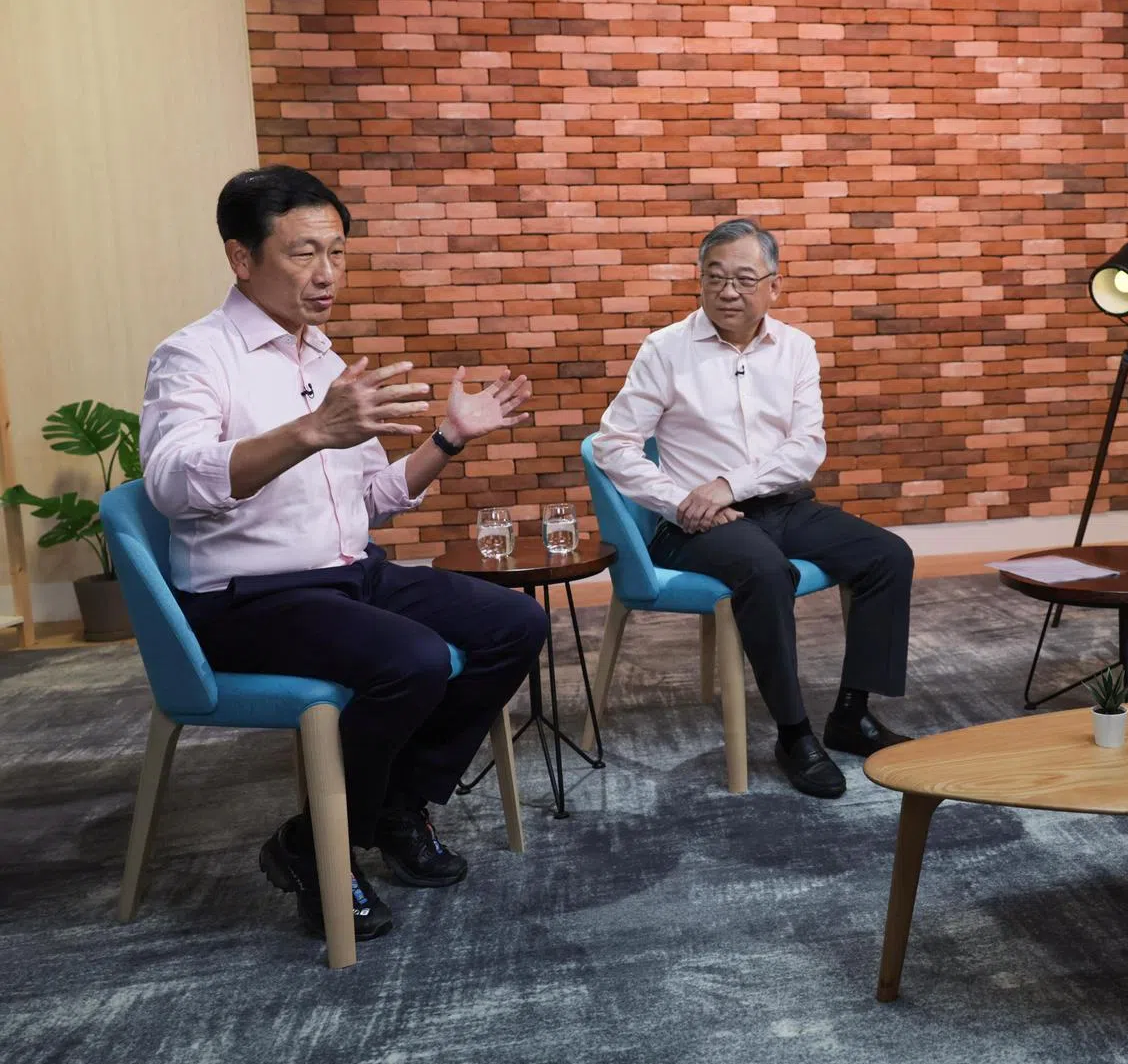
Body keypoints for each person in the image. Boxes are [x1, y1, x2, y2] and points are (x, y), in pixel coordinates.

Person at [140, 165, 548, 942]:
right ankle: (315, 847)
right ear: (241, 257)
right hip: (244, 595)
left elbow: (370, 501)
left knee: (513, 626)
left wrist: (449, 439)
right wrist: (308, 433)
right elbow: (168, 482)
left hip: (346, 575)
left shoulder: (326, 362)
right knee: (415, 660)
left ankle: (392, 807)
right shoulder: (194, 357)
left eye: (337, 251)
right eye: (302, 253)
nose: (327, 274)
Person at [593, 219, 914, 799]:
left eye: (744, 278)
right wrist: (685, 500)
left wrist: (727, 484)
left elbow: (805, 449)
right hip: (696, 525)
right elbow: (613, 445)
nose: (728, 291)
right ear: (699, 282)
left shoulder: (795, 348)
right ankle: (793, 733)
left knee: (887, 555)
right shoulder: (665, 351)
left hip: (783, 506)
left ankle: (850, 712)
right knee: (766, 571)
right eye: (714, 277)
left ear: (774, 286)